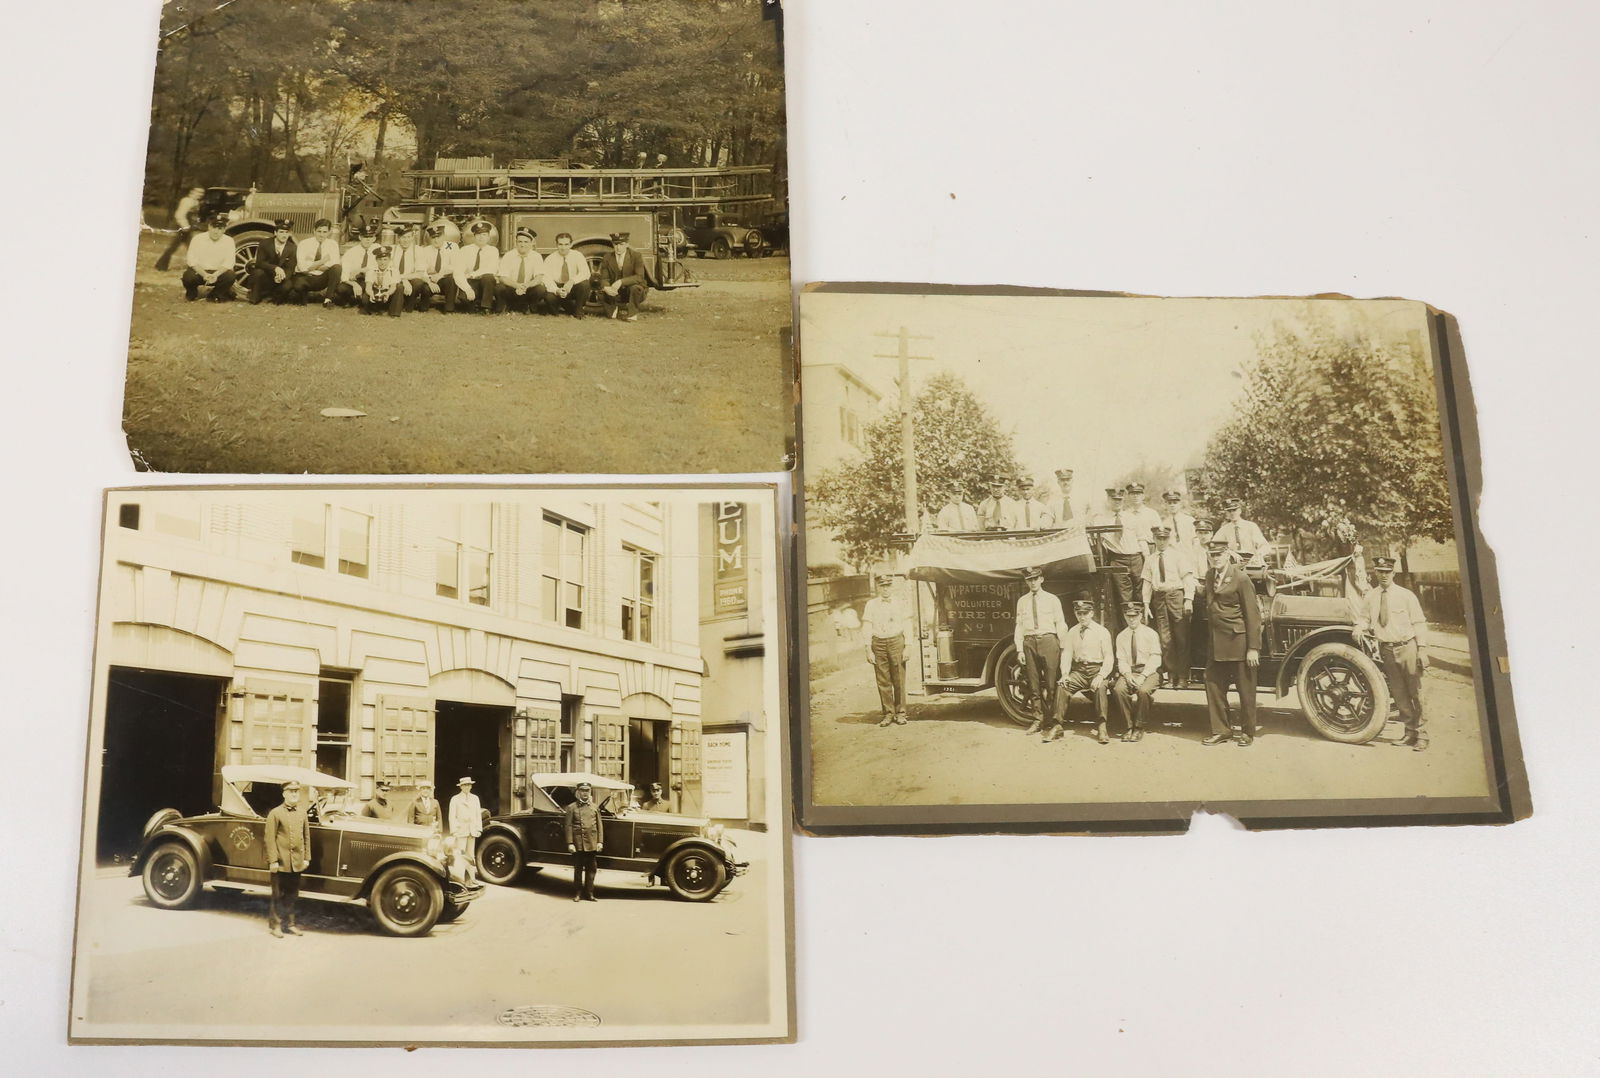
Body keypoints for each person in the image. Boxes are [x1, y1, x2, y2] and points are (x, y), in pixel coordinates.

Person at [1355, 555, 1430, 751]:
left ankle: (1422, 735)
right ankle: (1409, 732)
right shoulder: (1371, 596)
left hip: (1407, 648)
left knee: (1416, 692)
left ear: (1393, 573)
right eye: (1380, 572)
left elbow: (1419, 623)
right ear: (1375, 573)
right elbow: (1364, 618)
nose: (1384, 575)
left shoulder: (1406, 595)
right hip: (1386, 650)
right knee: (1399, 693)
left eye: (1387, 572)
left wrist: (1422, 649)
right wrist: (1358, 627)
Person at [1199, 538, 1262, 746]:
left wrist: (1253, 648)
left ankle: (1247, 732)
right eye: (1212, 555)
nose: (1215, 558)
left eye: (1219, 554)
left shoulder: (1241, 578)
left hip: (1238, 642)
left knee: (1245, 689)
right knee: (1213, 685)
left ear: (1227, 555)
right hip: (1216, 642)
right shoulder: (1210, 575)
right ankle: (1221, 730)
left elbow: (1252, 615)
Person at [1013, 565, 1069, 734]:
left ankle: (1053, 721)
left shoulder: (1052, 599)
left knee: (1052, 684)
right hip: (1029, 642)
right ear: (1026, 582)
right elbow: (1019, 625)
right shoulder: (1022, 601)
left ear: (1041, 579)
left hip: (1048, 641)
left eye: (1035, 579)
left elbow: (1060, 623)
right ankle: (1038, 719)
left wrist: (1062, 646)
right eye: (1029, 580)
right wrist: (1020, 649)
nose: (1033, 583)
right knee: (1033, 684)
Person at [1052, 596, 1115, 743]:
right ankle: (1057, 726)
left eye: (1085, 613)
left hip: (1096, 670)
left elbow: (1109, 657)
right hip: (1079, 671)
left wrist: (1101, 675)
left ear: (1091, 613)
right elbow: (1067, 654)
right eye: (1079, 613)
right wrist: (1065, 674)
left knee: (1100, 687)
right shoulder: (1072, 632)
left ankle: (1102, 726)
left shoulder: (1102, 631)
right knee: (1062, 686)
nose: (1082, 617)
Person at [1142, 525, 1197, 688]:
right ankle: (1171, 675)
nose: (1162, 541)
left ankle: (1183, 677)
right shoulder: (1150, 559)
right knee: (1165, 639)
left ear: (1169, 539)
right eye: (1158, 538)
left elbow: (1187, 579)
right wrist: (1146, 604)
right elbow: (1147, 583)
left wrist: (1188, 599)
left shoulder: (1178, 556)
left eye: (1164, 538)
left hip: (1176, 595)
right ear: (1153, 539)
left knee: (1181, 637)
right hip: (1159, 598)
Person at [264, 780, 312, 938]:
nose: (294, 794)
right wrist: (273, 861)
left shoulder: (302, 813)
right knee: (278, 895)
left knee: (292, 895)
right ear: (284, 793)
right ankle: (276, 926)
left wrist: (306, 858)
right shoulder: (275, 813)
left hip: (297, 862)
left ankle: (290, 924)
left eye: (296, 791)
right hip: (281, 862)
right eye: (291, 791)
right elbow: (269, 839)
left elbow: (306, 837)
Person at [862, 576, 909, 727]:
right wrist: (868, 649)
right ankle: (888, 713)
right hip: (878, 643)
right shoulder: (871, 604)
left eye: (888, 586)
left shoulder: (899, 603)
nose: (885, 589)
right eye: (882, 586)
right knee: (883, 680)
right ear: (878, 587)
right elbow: (867, 626)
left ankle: (901, 713)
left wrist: (908, 646)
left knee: (899, 678)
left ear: (892, 587)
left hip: (896, 641)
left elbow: (907, 623)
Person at [1113, 601, 1163, 741]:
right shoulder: (1121, 636)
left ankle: (1139, 727)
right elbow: (1121, 659)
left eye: (1134, 616)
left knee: (1143, 691)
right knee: (1118, 690)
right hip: (1131, 671)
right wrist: (1127, 674)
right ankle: (1128, 726)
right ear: (1124, 616)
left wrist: (1143, 676)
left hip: (1150, 671)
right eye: (1128, 616)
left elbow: (1155, 658)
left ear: (1140, 615)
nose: (1131, 619)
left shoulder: (1150, 634)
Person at [1093, 487, 1145, 615]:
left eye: (1119, 500)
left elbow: (1141, 538)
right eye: (1114, 499)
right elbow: (1097, 539)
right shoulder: (1101, 520)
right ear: (1108, 500)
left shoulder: (1131, 517)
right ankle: (1128, 624)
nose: (1117, 502)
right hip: (1118, 559)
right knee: (1124, 596)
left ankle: (1142, 623)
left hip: (1136, 558)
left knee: (1141, 593)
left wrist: (1147, 558)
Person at [180, 215, 237, 302]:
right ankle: (192, 294)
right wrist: (204, 274)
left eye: (220, 229)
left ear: (224, 230)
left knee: (230, 276)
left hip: (218, 273)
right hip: (200, 272)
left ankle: (214, 295)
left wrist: (215, 275)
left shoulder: (229, 241)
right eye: (214, 228)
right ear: (209, 227)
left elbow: (229, 263)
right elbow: (191, 260)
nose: (216, 232)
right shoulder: (198, 238)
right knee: (188, 276)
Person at [564, 781, 604, 902]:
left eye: (587, 790)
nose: (585, 793)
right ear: (578, 792)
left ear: (590, 792)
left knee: (591, 870)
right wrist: (570, 843)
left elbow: (599, 826)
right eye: (582, 790)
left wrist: (600, 842)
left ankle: (590, 893)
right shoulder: (572, 807)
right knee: (578, 869)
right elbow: (568, 826)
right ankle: (578, 893)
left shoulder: (595, 807)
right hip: (578, 843)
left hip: (591, 843)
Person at [599, 231, 650, 321]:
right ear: (612, 244)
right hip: (615, 292)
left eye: (621, 244)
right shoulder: (607, 257)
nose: (618, 248)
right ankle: (613, 308)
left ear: (627, 244)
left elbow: (639, 277)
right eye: (616, 244)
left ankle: (632, 313)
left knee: (636, 288)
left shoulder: (636, 256)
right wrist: (607, 287)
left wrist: (621, 282)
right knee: (601, 290)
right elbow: (604, 278)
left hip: (631, 290)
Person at [290, 217, 342, 306]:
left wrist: (312, 266)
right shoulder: (304, 243)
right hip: (306, 277)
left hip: (322, 278)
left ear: (329, 232)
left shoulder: (333, 244)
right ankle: (303, 298)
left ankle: (328, 299)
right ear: (314, 231)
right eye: (319, 231)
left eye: (325, 232)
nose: (321, 235)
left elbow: (335, 263)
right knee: (298, 284)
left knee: (337, 268)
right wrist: (322, 261)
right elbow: (302, 267)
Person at [497, 228, 548, 314]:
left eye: (526, 242)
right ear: (516, 242)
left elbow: (539, 278)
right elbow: (502, 277)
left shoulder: (536, 256)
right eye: (520, 242)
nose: (522, 245)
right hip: (512, 288)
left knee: (540, 289)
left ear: (531, 243)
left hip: (528, 288)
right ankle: (506, 305)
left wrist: (527, 285)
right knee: (499, 288)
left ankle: (531, 307)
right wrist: (516, 285)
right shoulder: (508, 255)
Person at [454, 221, 501, 314]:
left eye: (484, 235)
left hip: (485, 283)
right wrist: (467, 289)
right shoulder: (465, 250)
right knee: (465, 301)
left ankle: (486, 307)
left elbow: (491, 269)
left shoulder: (493, 250)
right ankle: (475, 304)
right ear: (474, 236)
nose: (481, 237)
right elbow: (458, 272)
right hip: (470, 282)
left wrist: (473, 274)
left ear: (488, 237)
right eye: (478, 234)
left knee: (488, 277)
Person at [248, 218, 299, 305]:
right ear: (275, 233)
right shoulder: (264, 243)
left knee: (287, 286)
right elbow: (259, 263)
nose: (284, 235)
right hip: (266, 274)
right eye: (281, 232)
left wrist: (282, 277)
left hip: (281, 276)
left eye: (286, 232)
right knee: (257, 273)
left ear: (289, 234)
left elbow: (290, 268)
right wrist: (275, 268)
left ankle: (274, 297)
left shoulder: (292, 248)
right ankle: (255, 297)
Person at [154, 186, 205, 271]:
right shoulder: (187, 201)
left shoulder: (195, 201)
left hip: (189, 227)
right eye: (198, 192)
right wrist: (185, 226)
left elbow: (193, 216)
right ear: (192, 191)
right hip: (183, 227)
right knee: (175, 246)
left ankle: (196, 266)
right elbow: (179, 214)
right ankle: (161, 265)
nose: (200, 194)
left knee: (191, 247)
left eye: (202, 193)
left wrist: (195, 224)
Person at [543, 232, 593, 317]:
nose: (563, 248)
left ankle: (578, 310)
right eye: (560, 244)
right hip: (557, 287)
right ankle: (566, 306)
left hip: (572, 286)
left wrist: (572, 281)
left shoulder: (577, 255)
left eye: (566, 244)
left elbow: (585, 272)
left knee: (585, 285)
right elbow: (546, 278)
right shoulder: (550, 259)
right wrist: (557, 290)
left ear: (571, 244)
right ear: (556, 245)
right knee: (549, 298)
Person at [412, 222, 457, 312]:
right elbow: (421, 269)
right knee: (425, 288)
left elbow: (455, 266)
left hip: (444, 279)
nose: (436, 240)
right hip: (430, 280)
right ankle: (423, 306)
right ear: (430, 239)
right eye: (433, 238)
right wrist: (429, 282)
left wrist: (440, 275)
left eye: (438, 237)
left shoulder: (452, 247)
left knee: (451, 280)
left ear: (444, 236)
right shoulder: (425, 250)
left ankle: (449, 308)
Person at [1212, 498, 1270, 566]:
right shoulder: (1224, 530)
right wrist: (1229, 552)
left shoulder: (1251, 526)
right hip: (1232, 562)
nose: (1232, 513)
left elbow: (1265, 546)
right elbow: (1214, 545)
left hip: (1251, 561)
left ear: (1240, 511)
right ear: (1226, 513)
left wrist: (1257, 555)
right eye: (1229, 511)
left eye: (1234, 510)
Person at [448, 776, 483, 882]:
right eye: (464, 785)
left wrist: (479, 829)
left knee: (470, 855)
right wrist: (454, 830)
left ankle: (471, 878)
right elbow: (452, 816)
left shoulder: (475, 798)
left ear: (471, 786)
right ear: (460, 787)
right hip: (461, 830)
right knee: (460, 854)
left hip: (472, 830)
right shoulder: (455, 799)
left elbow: (478, 815)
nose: (467, 787)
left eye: (468, 785)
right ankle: (460, 879)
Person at [334, 225, 378, 306]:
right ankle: (354, 299)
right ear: (360, 237)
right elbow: (345, 275)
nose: (368, 239)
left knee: (372, 295)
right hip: (356, 280)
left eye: (370, 237)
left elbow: (379, 268)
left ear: (374, 238)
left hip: (372, 282)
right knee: (341, 289)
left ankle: (358, 299)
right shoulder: (351, 252)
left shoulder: (378, 250)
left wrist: (361, 270)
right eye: (365, 237)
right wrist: (355, 284)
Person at [361, 244, 406, 317]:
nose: (382, 262)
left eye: (385, 259)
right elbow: (368, 286)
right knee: (365, 299)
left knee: (400, 287)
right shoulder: (371, 270)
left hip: (388, 292)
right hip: (376, 291)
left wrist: (388, 293)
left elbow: (393, 287)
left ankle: (394, 312)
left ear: (389, 260)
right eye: (380, 260)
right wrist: (370, 293)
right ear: (376, 260)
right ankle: (375, 308)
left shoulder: (394, 270)